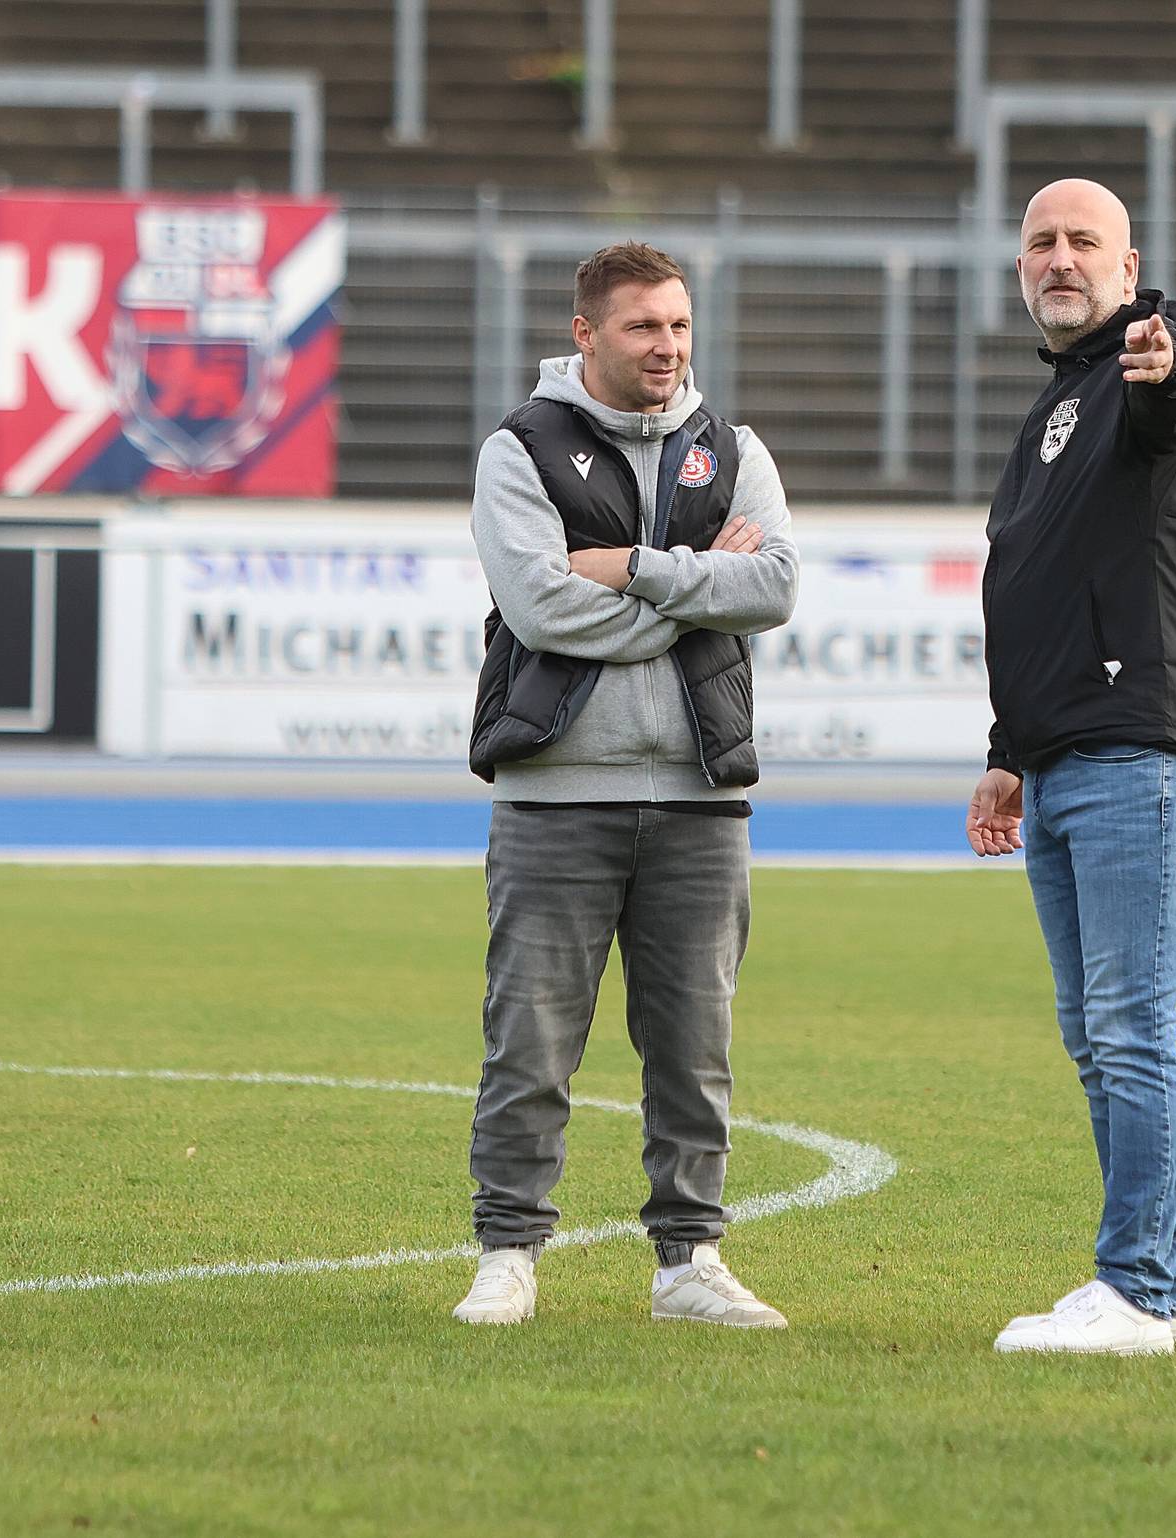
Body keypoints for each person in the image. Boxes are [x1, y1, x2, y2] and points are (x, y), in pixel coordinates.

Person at [454, 241, 799, 1330]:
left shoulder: (731, 448)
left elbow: (774, 585)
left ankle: (688, 1262)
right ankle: (508, 1254)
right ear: (586, 334)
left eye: (680, 325)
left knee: (696, 1050)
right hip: (555, 796)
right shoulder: (520, 449)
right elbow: (542, 608)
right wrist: (700, 590)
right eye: (644, 325)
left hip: (702, 799)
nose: (669, 346)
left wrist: (638, 568)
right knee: (530, 1044)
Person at [966, 179, 1176, 1357]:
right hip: (1067, 755)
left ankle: (1143, 1288)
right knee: (1099, 1035)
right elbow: (1040, 583)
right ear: (1019, 269)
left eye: (1086, 241)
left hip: (1140, 747)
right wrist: (1008, 754)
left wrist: (1165, 361)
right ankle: (1146, 1280)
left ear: (1130, 271)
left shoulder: (1147, 363)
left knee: (1129, 1027)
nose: (1061, 256)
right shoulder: (1057, 401)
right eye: (1041, 241)